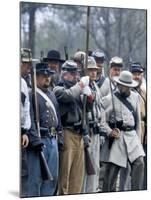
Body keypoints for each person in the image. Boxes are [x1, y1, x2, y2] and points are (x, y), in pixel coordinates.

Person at [101, 70, 145, 192]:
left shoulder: (136, 97)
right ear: (118, 84)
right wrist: (110, 131)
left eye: (127, 85)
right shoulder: (109, 99)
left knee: (139, 163)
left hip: (132, 137)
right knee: (111, 173)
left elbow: (137, 122)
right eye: (122, 85)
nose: (124, 87)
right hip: (118, 139)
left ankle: (137, 193)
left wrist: (139, 142)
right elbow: (102, 121)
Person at [53, 60, 91, 195]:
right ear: (64, 74)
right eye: (72, 73)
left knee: (77, 177)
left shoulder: (77, 89)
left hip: (79, 134)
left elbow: (86, 111)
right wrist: (81, 85)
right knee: (65, 177)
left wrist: (89, 96)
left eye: (76, 73)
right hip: (67, 133)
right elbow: (68, 95)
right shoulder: (58, 89)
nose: (76, 76)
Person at [26, 62, 63, 197]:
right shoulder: (31, 94)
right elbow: (27, 119)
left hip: (53, 140)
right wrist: (35, 140)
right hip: (39, 141)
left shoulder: (52, 95)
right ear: (36, 77)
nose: (47, 78)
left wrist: (60, 137)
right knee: (35, 180)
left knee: (52, 180)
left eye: (48, 76)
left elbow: (58, 120)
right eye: (43, 76)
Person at [82, 56, 107, 194]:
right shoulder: (82, 85)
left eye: (95, 70)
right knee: (86, 168)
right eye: (90, 70)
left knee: (95, 167)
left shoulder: (96, 87)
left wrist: (102, 131)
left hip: (97, 130)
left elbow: (102, 109)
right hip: (88, 130)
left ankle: (92, 192)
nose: (93, 73)